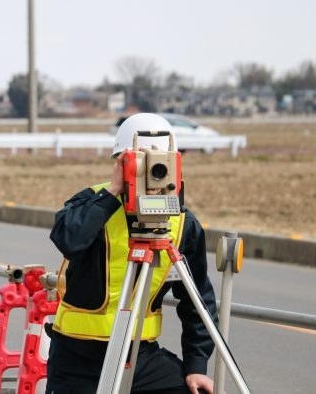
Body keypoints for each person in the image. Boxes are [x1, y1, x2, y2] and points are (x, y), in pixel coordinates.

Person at [45, 113, 218, 394]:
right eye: (140, 162)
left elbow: (198, 300)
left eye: (161, 163)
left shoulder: (181, 222)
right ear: (120, 162)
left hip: (139, 356)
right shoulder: (92, 202)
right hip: (77, 358)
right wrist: (113, 191)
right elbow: (68, 239)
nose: (152, 171)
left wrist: (196, 366)